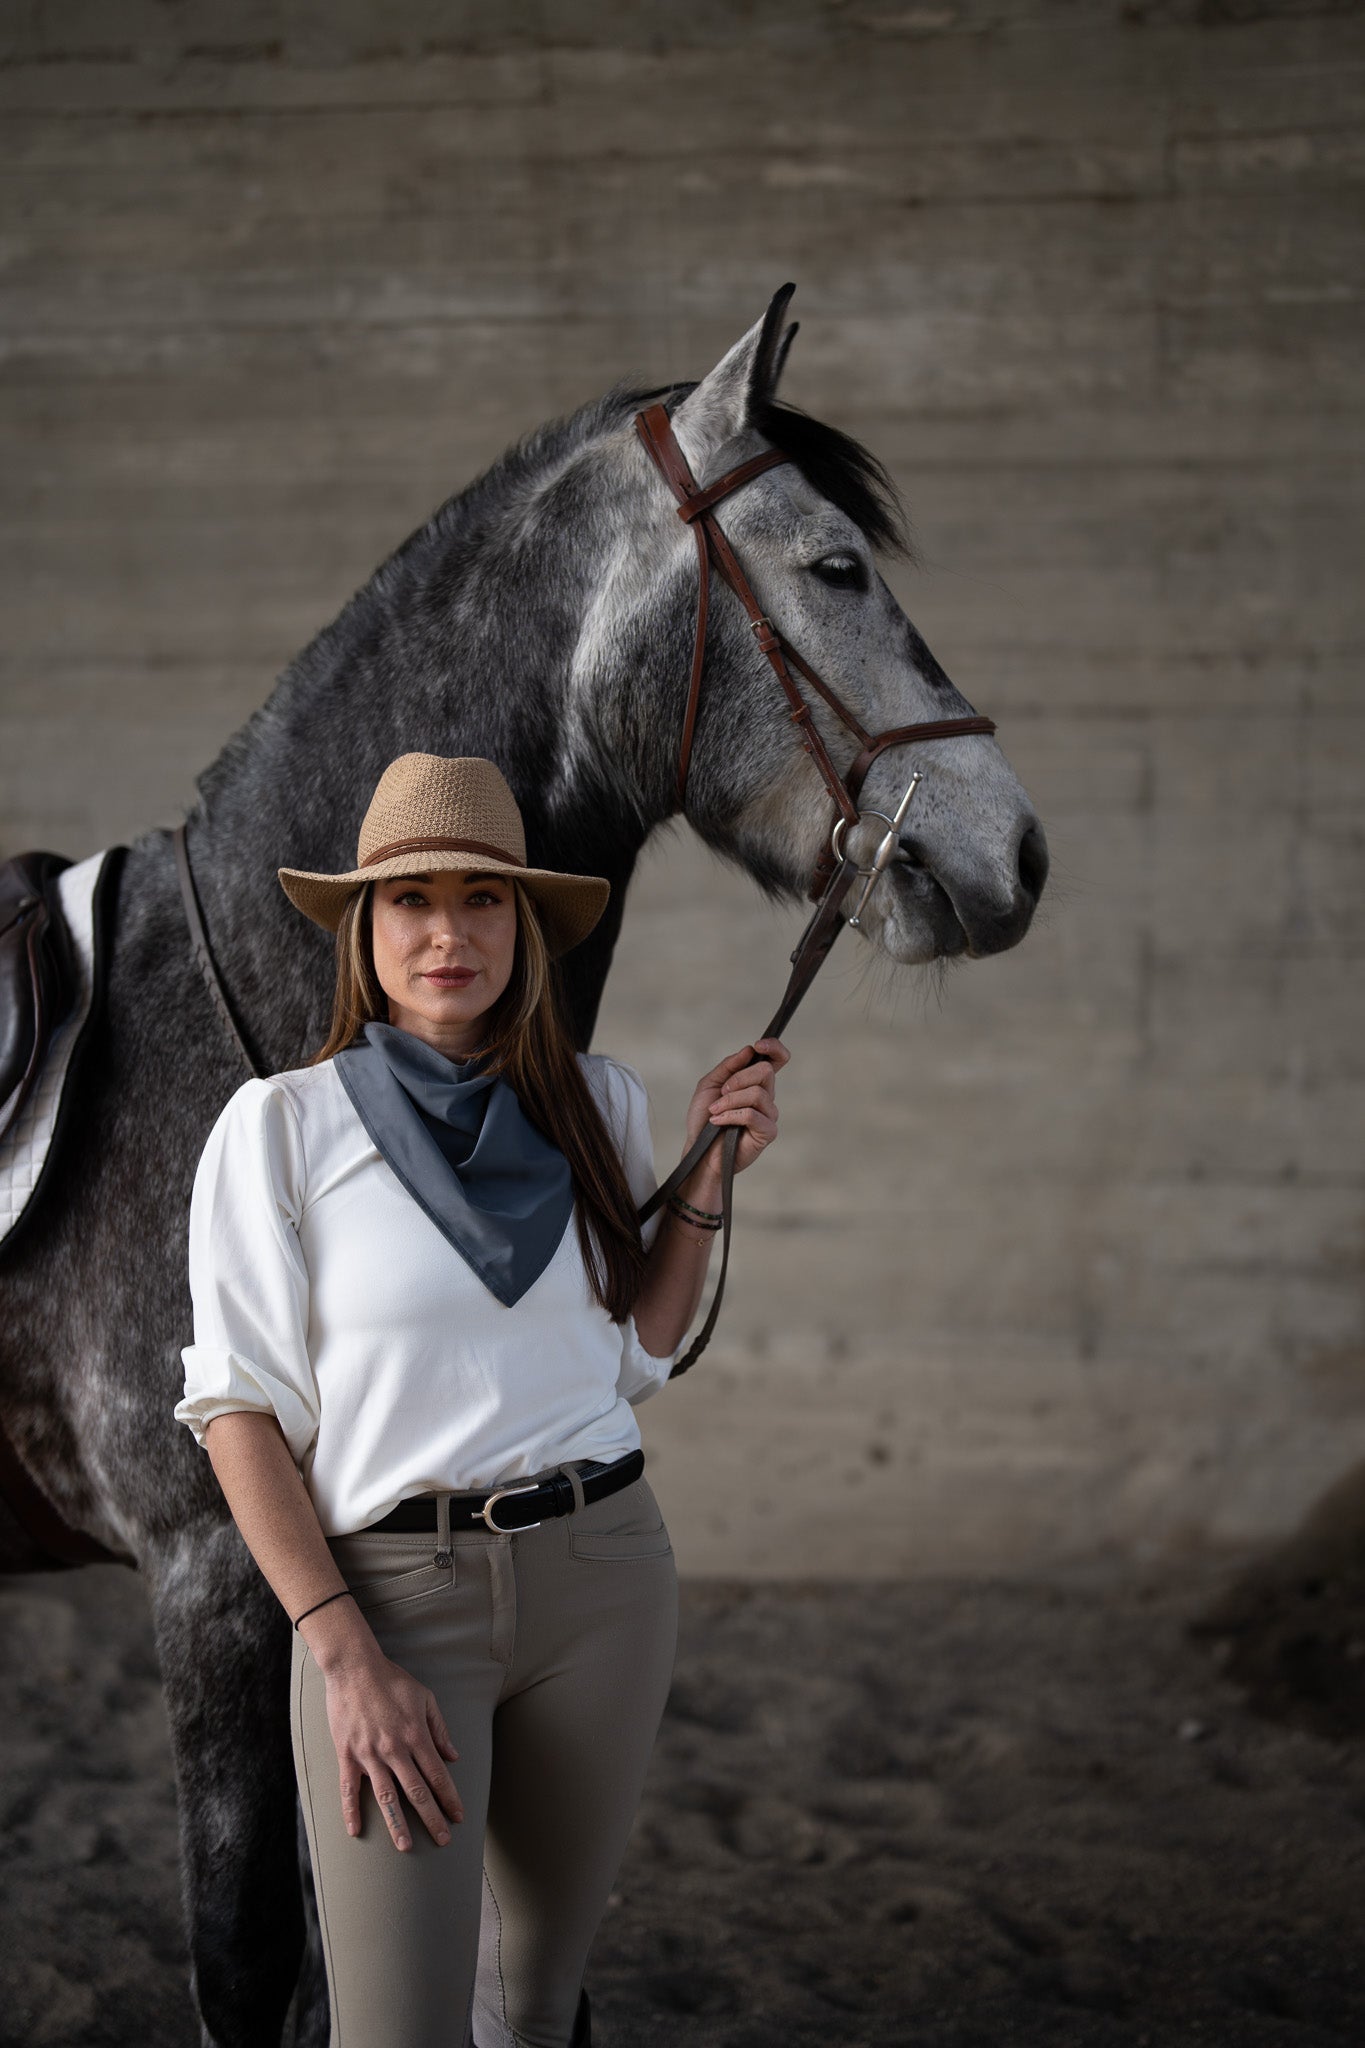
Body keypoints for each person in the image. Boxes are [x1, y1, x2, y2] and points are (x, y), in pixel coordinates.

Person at [174, 752, 788, 2048]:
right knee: (396, 2031)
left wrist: (708, 1167)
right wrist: (342, 1652)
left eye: (482, 899)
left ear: (523, 926)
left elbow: (639, 1342)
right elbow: (237, 1414)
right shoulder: (279, 1127)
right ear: (364, 928)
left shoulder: (593, 1104)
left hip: (606, 1575)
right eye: (410, 900)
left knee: (531, 2005)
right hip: (398, 1605)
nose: (448, 931)